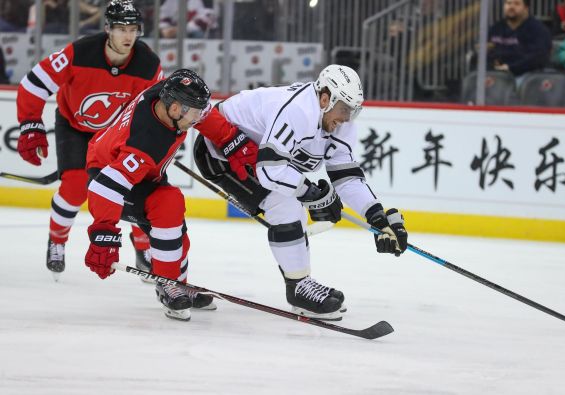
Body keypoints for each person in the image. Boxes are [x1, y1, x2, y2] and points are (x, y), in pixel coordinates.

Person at [191, 65, 409, 320]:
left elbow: (346, 175)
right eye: (344, 109)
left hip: (258, 156)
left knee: (290, 205)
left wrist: (376, 216)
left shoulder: (339, 121)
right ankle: (299, 288)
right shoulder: (298, 111)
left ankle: (300, 282)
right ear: (325, 98)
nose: (347, 118)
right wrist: (311, 193)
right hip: (221, 153)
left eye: (353, 111)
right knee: (285, 207)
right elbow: (271, 172)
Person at [16, 0, 163, 281]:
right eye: (121, 29)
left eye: (133, 29)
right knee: (74, 187)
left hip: (116, 135)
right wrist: (30, 125)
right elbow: (34, 84)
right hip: (75, 127)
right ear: (108, 28)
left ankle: (143, 248)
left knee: (136, 188)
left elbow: (154, 110)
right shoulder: (80, 52)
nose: (128, 36)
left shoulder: (149, 65)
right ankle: (57, 240)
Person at [84, 69, 217, 321]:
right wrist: (103, 235)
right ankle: (169, 284)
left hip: (133, 168)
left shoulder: (163, 92)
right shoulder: (146, 143)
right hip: (107, 173)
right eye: (195, 113)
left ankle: (177, 283)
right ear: (176, 109)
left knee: (176, 228)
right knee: (169, 205)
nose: (198, 118)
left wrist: (231, 139)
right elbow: (105, 187)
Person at [487, 0, 552, 78]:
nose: (511, 7)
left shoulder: (539, 30)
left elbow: (538, 58)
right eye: (508, 3)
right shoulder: (496, 28)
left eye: (516, 3)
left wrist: (510, 67)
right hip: (496, 74)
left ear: (526, 8)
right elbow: (487, 51)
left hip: (526, 76)